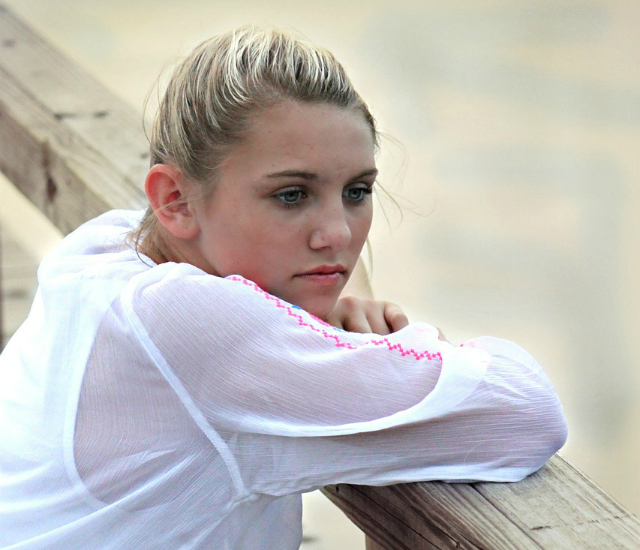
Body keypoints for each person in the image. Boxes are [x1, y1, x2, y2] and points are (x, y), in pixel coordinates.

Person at [0, 26, 567, 549]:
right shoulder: (198, 324)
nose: (337, 233)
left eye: (357, 191)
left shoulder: (101, 249)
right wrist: (410, 344)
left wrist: (335, 304)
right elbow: (526, 410)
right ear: (174, 200)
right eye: (291, 195)